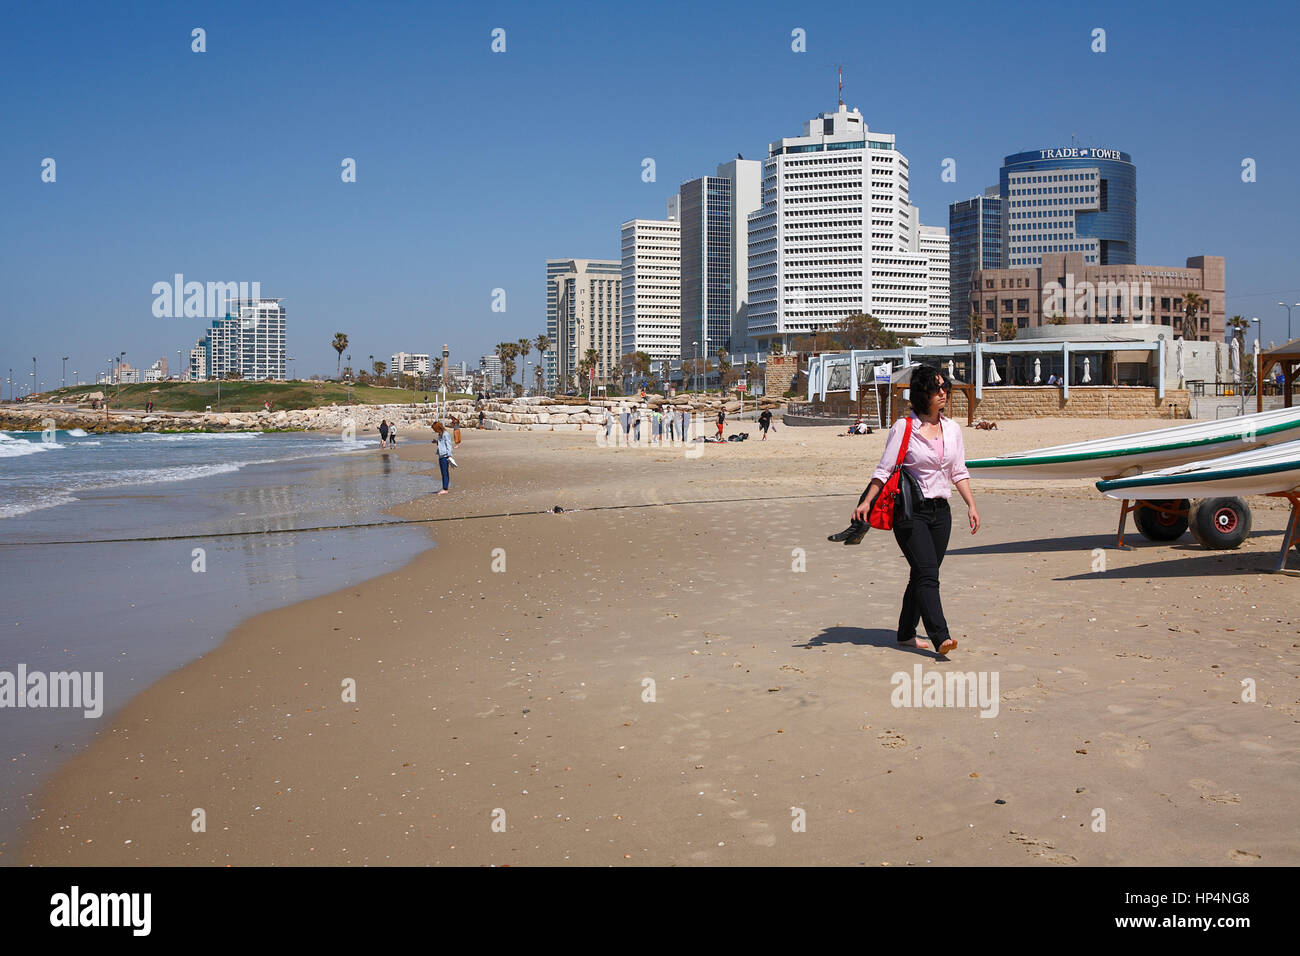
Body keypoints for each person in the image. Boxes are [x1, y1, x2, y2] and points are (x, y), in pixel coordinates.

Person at [852, 364, 980, 657]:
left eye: (944, 387)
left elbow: (959, 470)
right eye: (937, 388)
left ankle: (906, 633)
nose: (943, 392)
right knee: (927, 575)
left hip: (941, 513)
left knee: (921, 574)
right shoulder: (904, 427)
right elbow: (884, 470)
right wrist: (866, 501)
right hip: (910, 514)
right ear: (922, 393)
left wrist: (971, 505)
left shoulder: (952, 429)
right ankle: (941, 635)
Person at [432, 421, 453, 494]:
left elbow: (449, 445)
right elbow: (442, 443)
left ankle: (445, 488)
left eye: (435, 429)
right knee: (443, 472)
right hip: (441, 455)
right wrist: (436, 442)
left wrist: (449, 455)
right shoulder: (440, 434)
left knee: (445, 472)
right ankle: (444, 487)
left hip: (445, 456)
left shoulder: (445, 434)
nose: (434, 431)